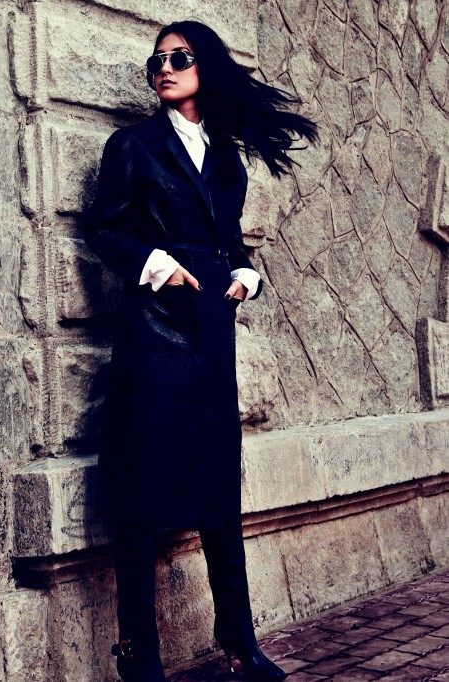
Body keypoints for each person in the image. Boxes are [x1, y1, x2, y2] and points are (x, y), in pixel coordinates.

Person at [84, 20, 317, 682]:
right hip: (154, 333)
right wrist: (158, 266)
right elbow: (103, 228)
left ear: (204, 66)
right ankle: (139, 652)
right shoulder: (132, 146)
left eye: (179, 57)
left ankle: (239, 637)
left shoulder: (226, 159)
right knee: (141, 491)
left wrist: (245, 276)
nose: (164, 67)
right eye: (156, 60)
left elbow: (231, 243)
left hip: (212, 328)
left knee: (218, 484)